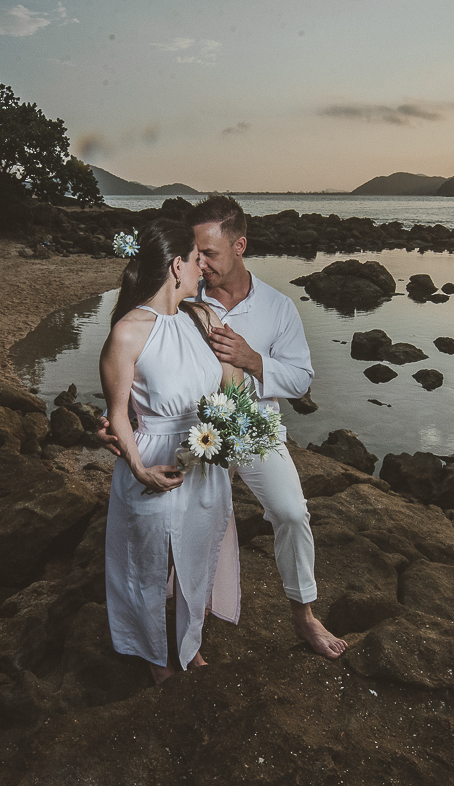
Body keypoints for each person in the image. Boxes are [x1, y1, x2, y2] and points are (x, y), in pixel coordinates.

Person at [99, 196, 348, 659]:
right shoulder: (183, 300)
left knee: (292, 512)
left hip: (251, 427)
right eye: (196, 254)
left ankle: (305, 616)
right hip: (191, 436)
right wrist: (124, 422)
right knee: (187, 522)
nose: (203, 263)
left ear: (240, 246)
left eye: (210, 253)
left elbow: (300, 380)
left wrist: (252, 360)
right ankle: (180, 624)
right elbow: (144, 369)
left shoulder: (277, 308)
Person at [100, 218, 243, 684]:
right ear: (176, 265)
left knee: (198, 558)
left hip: (205, 457)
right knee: (149, 565)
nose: (204, 270)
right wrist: (140, 470)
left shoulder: (203, 318)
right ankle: (155, 657)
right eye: (197, 262)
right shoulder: (128, 331)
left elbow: (233, 383)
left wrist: (231, 424)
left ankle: (191, 643)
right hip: (155, 458)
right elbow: (118, 415)